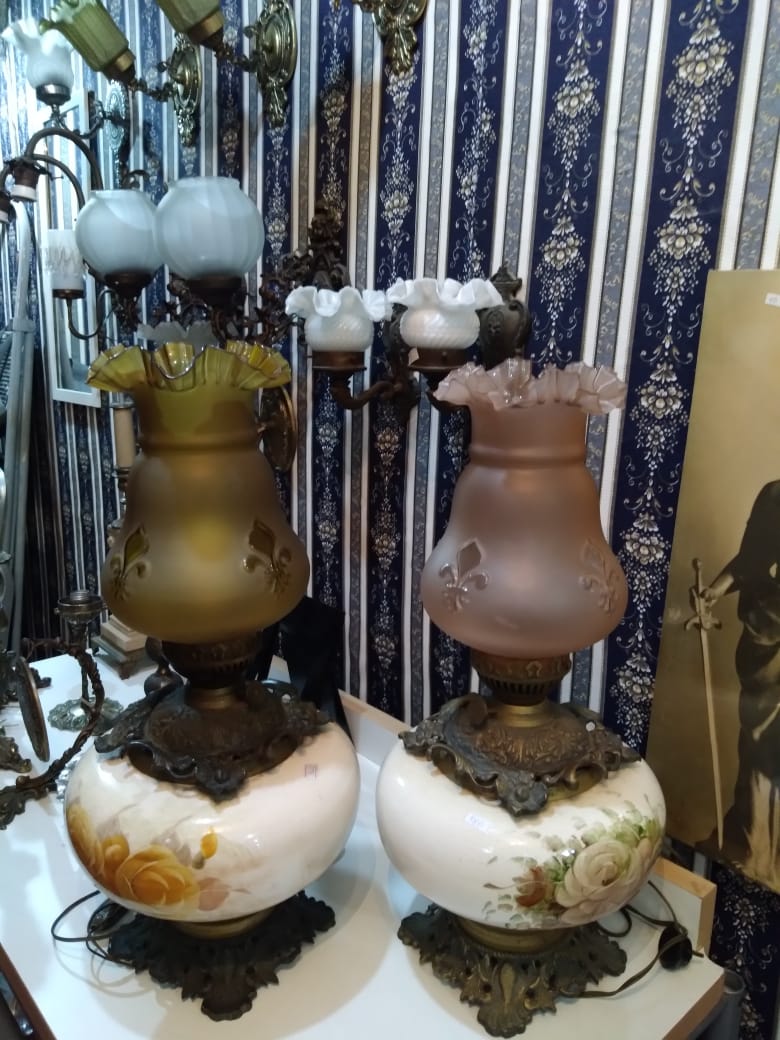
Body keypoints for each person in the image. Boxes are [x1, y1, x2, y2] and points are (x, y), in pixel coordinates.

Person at [691, 480, 780, 890]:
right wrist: (714, 590)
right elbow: (752, 559)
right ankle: (753, 842)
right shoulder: (775, 496)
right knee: (759, 748)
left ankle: (766, 852)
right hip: (766, 643)